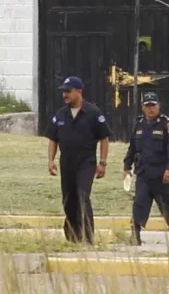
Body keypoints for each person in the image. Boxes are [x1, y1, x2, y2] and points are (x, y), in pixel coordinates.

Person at [45, 76, 111, 245]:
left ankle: (88, 239)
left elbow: (104, 138)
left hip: (86, 163)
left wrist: (102, 163)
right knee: (68, 200)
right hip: (66, 163)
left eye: (68, 91)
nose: (64, 95)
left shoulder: (93, 113)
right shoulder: (60, 114)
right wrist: (51, 160)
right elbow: (53, 138)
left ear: (79, 91)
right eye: (63, 92)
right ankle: (73, 237)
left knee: (83, 197)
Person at [123, 91, 169, 245]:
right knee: (139, 203)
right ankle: (135, 235)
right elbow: (132, 147)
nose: (151, 109)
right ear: (143, 107)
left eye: (153, 105)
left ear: (159, 106)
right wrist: (126, 166)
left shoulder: (166, 124)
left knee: (168, 203)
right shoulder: (139, 124)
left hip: (161, 173)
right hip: (143, 172)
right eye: (147, 106)